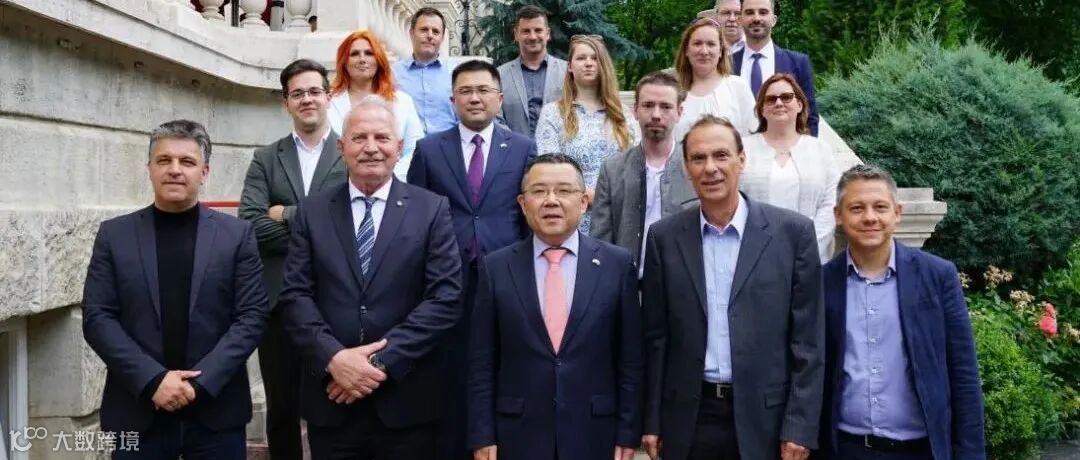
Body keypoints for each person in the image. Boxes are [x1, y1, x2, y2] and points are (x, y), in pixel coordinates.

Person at [279, 96, 462, 459]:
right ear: (341, 147)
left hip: (406, 402)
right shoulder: (312, 212)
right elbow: (295, 296)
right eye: (360, 138)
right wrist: (335, 359)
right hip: (332, 399)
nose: (371, 148)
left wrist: (374, 364)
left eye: (382, 137)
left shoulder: (431, 209)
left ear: (400, 146)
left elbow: (444, 299)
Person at [641, 115, 824, 460]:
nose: (710, 168)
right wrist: (652, 420)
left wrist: (799, 425)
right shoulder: (664, 238)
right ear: (687, 168)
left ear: (741, 160)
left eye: (721, 155)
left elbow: (808, 341)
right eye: (699, 158)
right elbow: (655, 337)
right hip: (689, 418)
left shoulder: (792, 234)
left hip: (767, 420)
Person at [82, 120, 268, 459]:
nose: (175, 170)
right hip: (139, 410)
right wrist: (153, 380)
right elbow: (98, 318)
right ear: (149, 169)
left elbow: (252, 317)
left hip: (216, 412)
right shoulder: (114, 235)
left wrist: (199, 384)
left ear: (204, 172)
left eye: (187, 161)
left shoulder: (237, 236)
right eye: (164, 160)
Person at [467, 154, 642, 460]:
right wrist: (482, 434)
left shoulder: (617, 264)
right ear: (523, 204)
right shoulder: (496, 267)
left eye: (563, 190)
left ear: (584, 202)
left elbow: (630, 359)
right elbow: (481, 360)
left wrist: (628, 432)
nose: (551, 200)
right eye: (539, 191)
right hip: (517, 435)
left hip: (595, 433)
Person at [407, 59, 536, 459]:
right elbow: (414, 215)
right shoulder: (429, 150)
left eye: (483, 90)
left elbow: (529, 216)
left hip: (507, 275)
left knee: (505, 362)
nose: (474, 98)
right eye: (465, 91)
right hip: (447, 280)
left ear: (499, 98)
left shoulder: (523, 148)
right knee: (454, 368)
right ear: (452, 100)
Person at [819, 164, 985, 460]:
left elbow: (963, 374)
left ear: (897, 213)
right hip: (845, 449)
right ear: (838, 216)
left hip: (920, 450)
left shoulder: (937, 277)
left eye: (880, 207)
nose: (870, 217)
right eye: (857, 208)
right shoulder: (821, 283)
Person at [238, 58, 346, 460]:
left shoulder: (350, 151)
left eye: (314, 91)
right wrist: (320, 228)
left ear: (328, 96)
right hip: (278, 302)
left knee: (333, 402)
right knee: (282, 407)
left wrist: (285, 213)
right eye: (297, 93)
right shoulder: (267, 158)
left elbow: (352, 222)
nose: (307, 99)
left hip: (336, 298)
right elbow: (250, 224)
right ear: (286, 102)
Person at [591, 71, 698, 277]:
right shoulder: (613, 170)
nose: (656, 114)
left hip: (682, 282)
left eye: (665, 106)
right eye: (648, 105)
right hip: (629, 282)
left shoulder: (695, 168)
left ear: (679, 112)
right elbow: (600, 241)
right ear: (635, 110)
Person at [535, 35, 641, 234]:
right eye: (581, 58)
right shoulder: (553, 113)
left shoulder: (622, 115)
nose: (589, 63)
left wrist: (605, 196)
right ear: (570, 66)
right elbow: (549, 167)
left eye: (595, 58)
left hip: (616, 214)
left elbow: (636, 164)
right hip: (571, 217)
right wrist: (584, 195)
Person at [740, 74, 837, 262]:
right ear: (761, 109)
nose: (779, 103)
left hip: (810, 257)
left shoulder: (820, 150)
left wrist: (808, 247)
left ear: (799, 105)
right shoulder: (743, 149)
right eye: (771, 99)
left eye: (786, 97)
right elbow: (734, 200)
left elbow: (831, 202)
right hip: (756, 257)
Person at [328, 30, 425, 180]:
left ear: (378, 60)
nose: (362, 59)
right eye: (354, 54)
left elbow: (415, 149)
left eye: (369, 53)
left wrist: (386, 177)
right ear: (344, 62)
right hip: (338, 184)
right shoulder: (328, 102)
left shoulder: (403, 102)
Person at [733, 0, 820, 136]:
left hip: (784, 147)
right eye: (749, 12)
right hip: (738, 146)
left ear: (773, 20)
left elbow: (810, 117)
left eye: (763, 12)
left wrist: (807, 148)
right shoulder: (726, 64)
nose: (756, 18)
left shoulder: (798, 63)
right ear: (740, 20)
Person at [673, 18, 757, 140]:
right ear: (686, 50)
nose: (704, 51)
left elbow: (753, 136)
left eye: (711, 44)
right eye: (697, 43)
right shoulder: (673, 91)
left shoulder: (738, 87)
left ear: (721, 51)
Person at [496, 5, 568, 137]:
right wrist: (516, 144)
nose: (533, 36)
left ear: (547, 34)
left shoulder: (568, 72)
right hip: (514, 148)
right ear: (516, 35)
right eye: (526, 31)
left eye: (538, 30)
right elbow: (495, 117)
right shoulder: (499, 75)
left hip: (559, 149)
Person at [393, 7, 459, 134]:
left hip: (447, 144)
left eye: (436, 32)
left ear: (442, 38)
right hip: (407, 145)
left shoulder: (456, 73)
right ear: (411, 33)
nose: (430, 35)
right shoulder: (393, 73)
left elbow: (464, 115)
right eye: (424, 30)